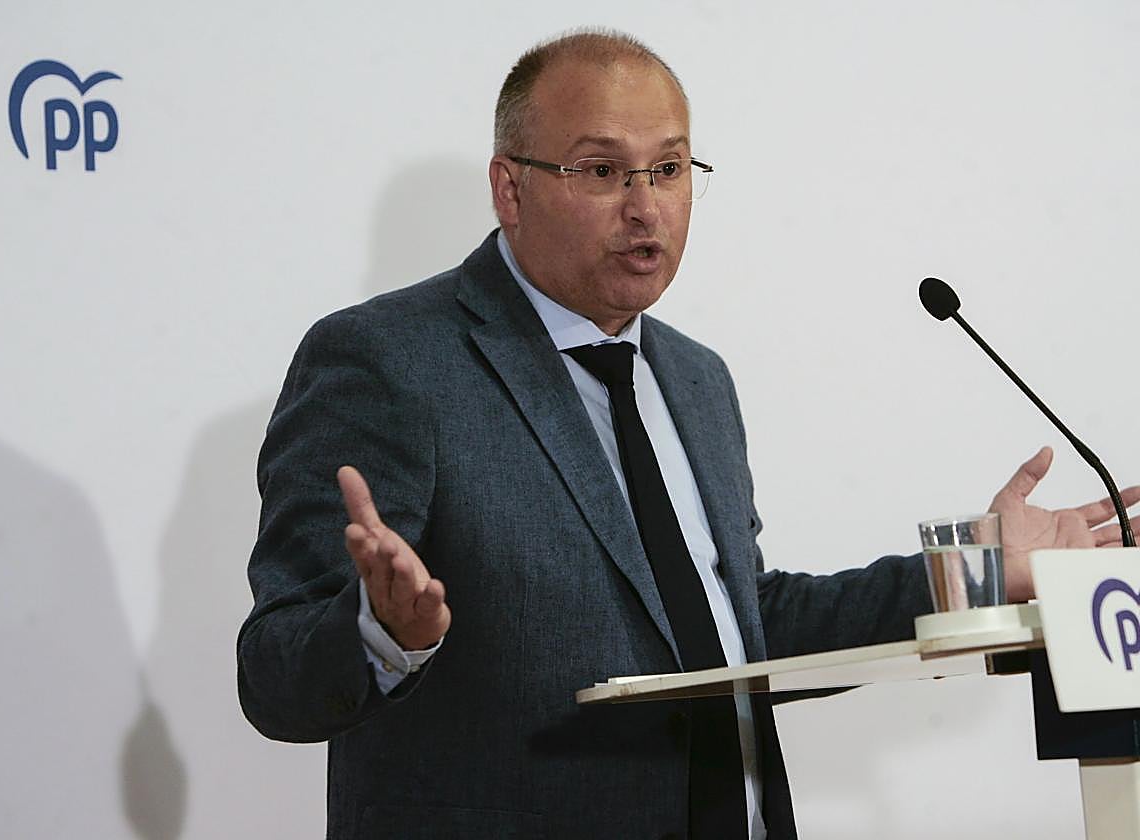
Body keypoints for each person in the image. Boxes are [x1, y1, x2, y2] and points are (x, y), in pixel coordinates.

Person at [237, 30, 1138, 840]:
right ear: (510, 188)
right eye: (600, 171)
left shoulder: (696, 378)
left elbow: (743, 625)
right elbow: (273, 674)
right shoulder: (387, 360)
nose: (645, 207)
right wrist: (384, 631)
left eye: (669, 170)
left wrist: (974, 568)